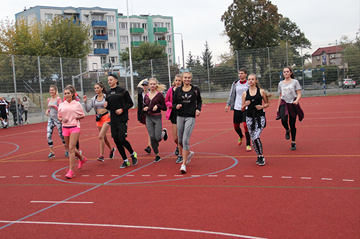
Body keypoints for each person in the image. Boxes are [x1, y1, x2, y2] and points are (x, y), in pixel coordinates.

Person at [105, 73, 138, 168]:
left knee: (122, 139)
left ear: (116, 80)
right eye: (108, 80)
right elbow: (110, 107)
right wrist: (106, 106)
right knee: (116, 140)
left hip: (122, 119)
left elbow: (130, 103)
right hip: (113, 119)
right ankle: (125, 160)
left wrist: (122, 110)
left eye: (111, 80)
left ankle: (132, 153)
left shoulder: (123, 91)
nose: (109, 81)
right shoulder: (107, 93)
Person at [173, 72, 202, 174]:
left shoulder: (195, 90)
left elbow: (199, 101)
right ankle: (188, 153)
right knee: (180, 140)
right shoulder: (178, 90)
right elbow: (173, 102)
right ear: (182, 79)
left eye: (189, 78)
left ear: (191, 79)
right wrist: (176, 106)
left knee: (185, 140)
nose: (187, 79)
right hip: (180, 116)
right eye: (185, 78)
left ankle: (184, 164)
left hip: (190, 116)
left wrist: (198, 109)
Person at [58, 85, 87, 179]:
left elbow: (82, 115)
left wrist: (78, 117)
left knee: (71, 148)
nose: (66, 95)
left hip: (75, 127)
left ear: (72, 94)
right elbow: (59, 117)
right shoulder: (62, 105)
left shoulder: (77, 104)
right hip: (65, 127)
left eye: (68, 93)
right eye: (65, 93)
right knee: (69, 148)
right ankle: (82, 158)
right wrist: (62, 119)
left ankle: (70, 171)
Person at [83, 82, 116, 162]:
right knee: (104, 137)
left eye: (98, 88)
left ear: (101, 88)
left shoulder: (106, 96)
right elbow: (87, 110)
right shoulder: (94, 99)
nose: (96, 89)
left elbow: (112, 105)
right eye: (95, 88)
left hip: (106, 117)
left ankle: (101, 155)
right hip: (99, 118)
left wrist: (110, 113)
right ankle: (112, 149)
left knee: (100, 136)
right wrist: (85, 102)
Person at [241, 74, 269, 166]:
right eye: (249, 80)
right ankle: (258, 155)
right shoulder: (245, 93)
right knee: (253, 139)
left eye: (252, 79)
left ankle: (261, 156)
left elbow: (267, 103)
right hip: (249, 118)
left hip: (260, 117)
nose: (250, 81)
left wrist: (262, 106)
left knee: (256, 136)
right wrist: (245, 104)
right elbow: (242, 108)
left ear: (256, 81)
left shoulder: (261, 91)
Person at [276, 67, 304, 151]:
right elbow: (280, 96)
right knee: (283, 120)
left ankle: (293, 142)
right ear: (283, 73)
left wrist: (296, 100)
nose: (286, 73)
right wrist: (278, 107)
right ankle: (287, 130)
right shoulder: (280, 83)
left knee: (292, 123)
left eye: (287, 71)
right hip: (284, 102)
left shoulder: (295, 82)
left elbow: (299, 94)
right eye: (284, 72)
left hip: (292, 103)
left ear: (290, 73)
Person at [225, 68, 252, 151]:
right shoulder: (235, 83)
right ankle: (241, 136)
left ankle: (248, 144)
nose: (240, 75)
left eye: (242, 73)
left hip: (246, 108)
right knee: (236, 126)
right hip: (237, 107)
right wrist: (227, 105)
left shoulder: (249, 83)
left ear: (245, 74)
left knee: (245, 125)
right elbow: (231, 94)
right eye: (239, 73)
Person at [143, 78, 168, 163]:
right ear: (148, 85)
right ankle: (157, 155)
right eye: (151, 84)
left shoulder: (159, 95)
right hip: (148, 117)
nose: (152, 85)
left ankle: (163, 132)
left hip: (157, 117)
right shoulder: (146, 96)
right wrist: (145, 108)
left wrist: (158, 106)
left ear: (156, 85)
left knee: (157, 138)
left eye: (154, 84)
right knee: (152, 137)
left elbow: (164, 107)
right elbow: (143, 106)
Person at [46, 85, 68, 158]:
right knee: (48, 135)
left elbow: (61, 109)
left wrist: (55, 107)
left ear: (55, 91)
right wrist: (47, 110)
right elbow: (50, 109)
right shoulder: (48, 99)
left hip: (58, 119)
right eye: (50, 90)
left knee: (61, 135)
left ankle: (66, 150)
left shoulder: (58, 99)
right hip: (51, 119)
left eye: (52, 90)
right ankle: (52, 152)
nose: (51, 91)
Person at [165, 74, 183, 163]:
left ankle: (180, 155)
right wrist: (172, 105)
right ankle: (179, 146)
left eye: (179, 80)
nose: (178, 82)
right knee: (175, 138)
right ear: (174, 81)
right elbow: (166, 100)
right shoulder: (171, 90)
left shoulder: (184, 90)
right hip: (174, 114)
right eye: (176, 80)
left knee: (180, 136)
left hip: (183, 114)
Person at [137, 79, 152, 154]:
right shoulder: (140, 95)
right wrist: (138, 115)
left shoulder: (151, 94)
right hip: (144, 114)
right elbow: (139, 105)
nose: (144, 87)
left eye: (146, 85)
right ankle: (149, 146)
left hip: (151, 113)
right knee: (149, 130)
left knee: (153, 131)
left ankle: (162, 133)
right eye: (143, 85)